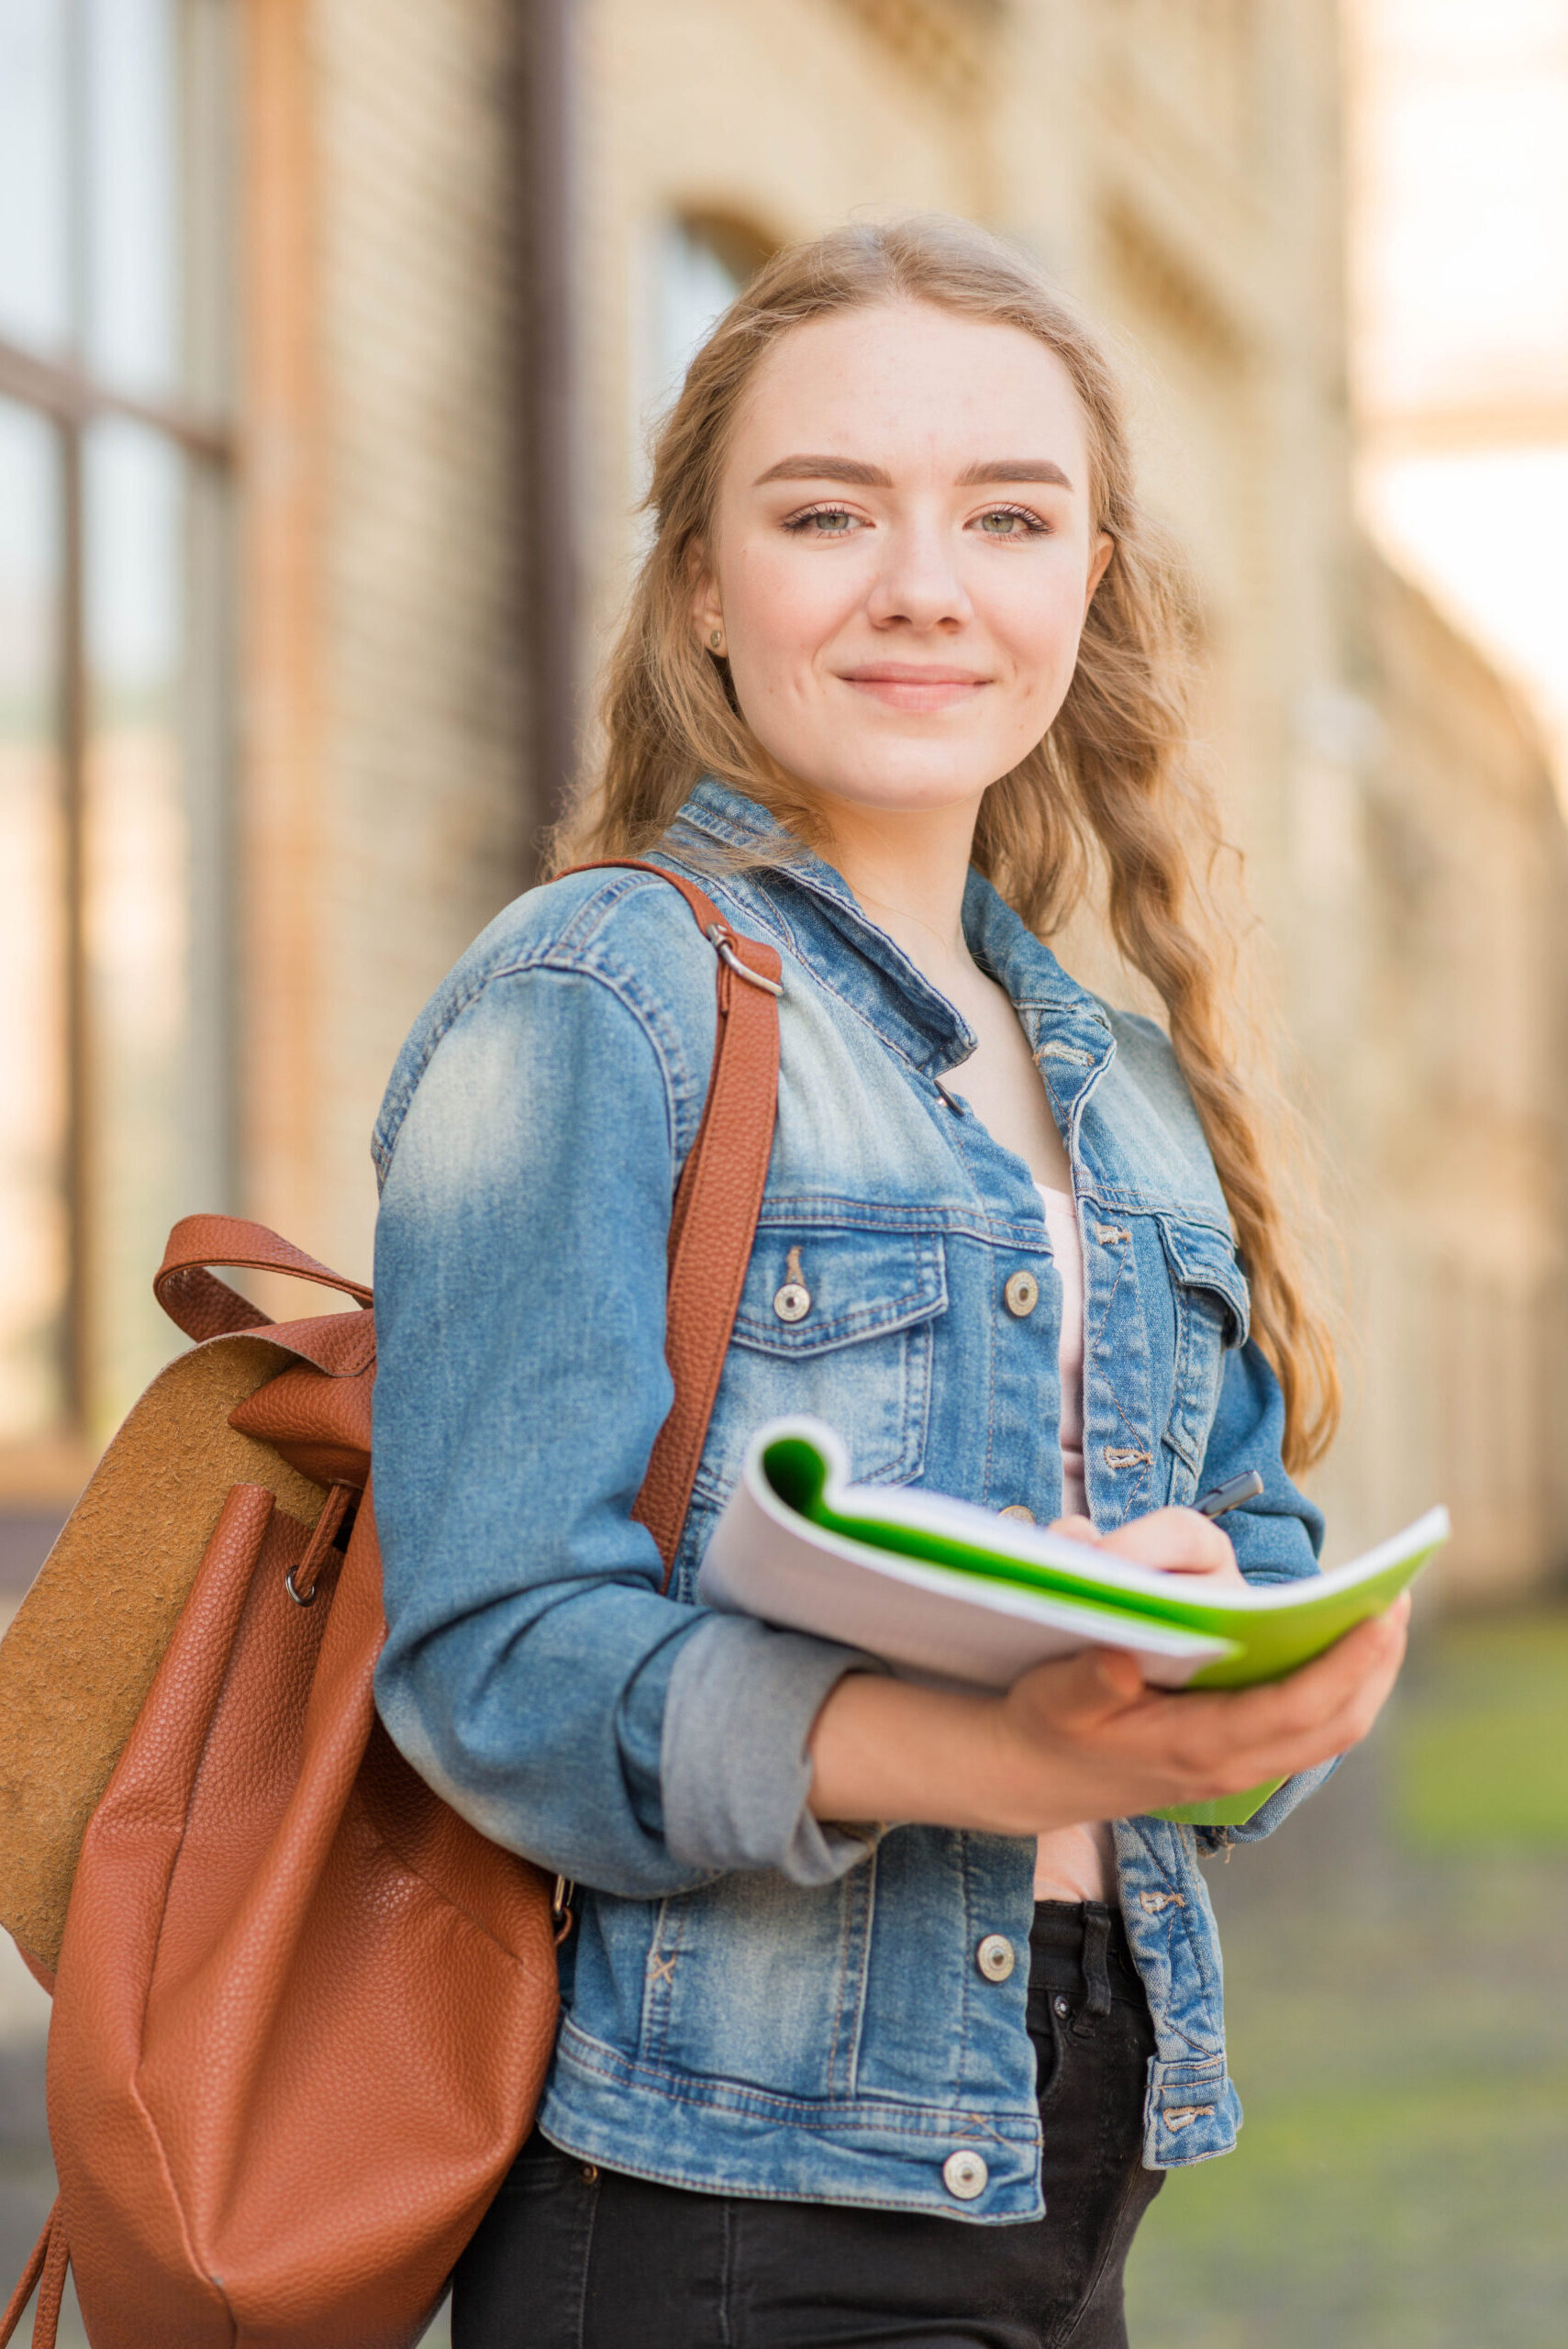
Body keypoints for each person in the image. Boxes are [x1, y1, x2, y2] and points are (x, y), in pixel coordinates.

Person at [370, 217, 1409, 2349]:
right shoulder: (600, 995)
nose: (925, 583)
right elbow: (495, 1657)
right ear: (702, 587)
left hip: (1073, 2146)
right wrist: (990, 1751)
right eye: (828, 511)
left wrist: (1258, 1679)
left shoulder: (1129, 1086)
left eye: (1006, 517)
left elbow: (1253, 1539)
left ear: (1088, 580)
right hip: (718, 2195)